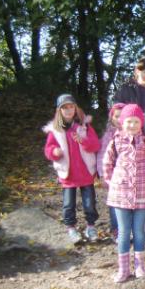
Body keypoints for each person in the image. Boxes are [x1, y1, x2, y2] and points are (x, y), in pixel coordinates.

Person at [102, 104, 145, 282]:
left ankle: (140, 266)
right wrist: (113, 182)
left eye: (136, 121)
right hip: (120, 194)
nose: (132, 125)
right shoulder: (115, 141)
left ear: (141, 123)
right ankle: (123, 268)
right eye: (129, 121)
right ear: (122, 122)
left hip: (142, 193)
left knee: (139, 231)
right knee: (123, 232)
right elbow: (107, 164)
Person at [43, 94, 101, 243]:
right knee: (68, 204)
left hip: (86, 172)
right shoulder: (55, 130)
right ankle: (71, 229)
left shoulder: (84, 126)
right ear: (59, 111)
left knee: (89, 203)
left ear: (76, 108)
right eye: (65, 108)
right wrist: (54, 152)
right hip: (68, 174)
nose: (68, 110)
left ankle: (90, 227)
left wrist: (83, 141)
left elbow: (96, 145)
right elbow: (48, 149)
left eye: (71, 107)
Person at [96, 102, 126, 240]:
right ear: (111, 118)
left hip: (129, 175)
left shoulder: (134, 132)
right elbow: (102, 155)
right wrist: (103, 174)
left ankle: (128, 228)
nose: (119, 119)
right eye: (116, 116)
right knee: (115, 203)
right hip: (113, 175)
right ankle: (116, 229)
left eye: (122, 116)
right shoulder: (109, 135)